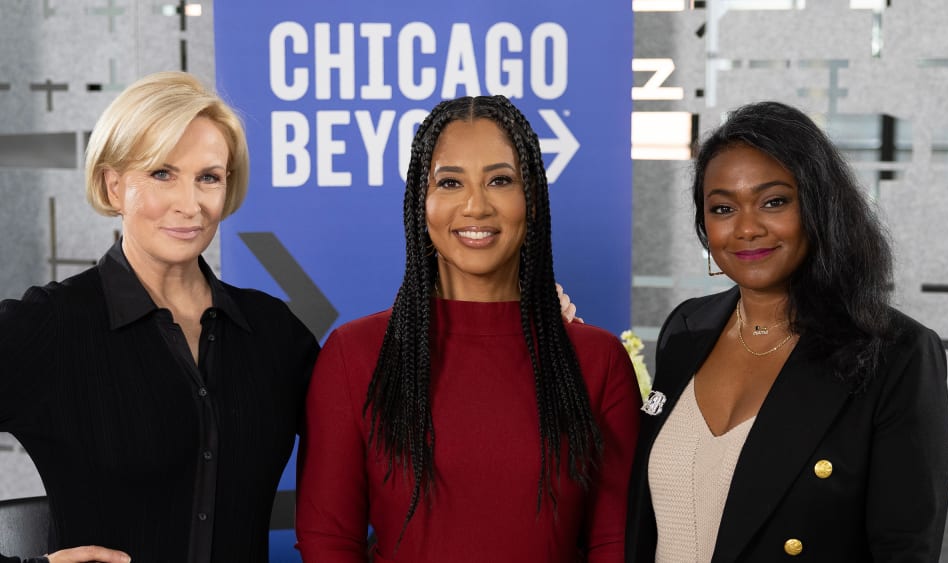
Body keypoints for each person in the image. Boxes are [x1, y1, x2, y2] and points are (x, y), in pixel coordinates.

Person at [295, 95, 640, 562]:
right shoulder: (353, 355)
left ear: (532, 198)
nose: (475, 206)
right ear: (422, 202)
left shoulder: (596, 360)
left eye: (500, 180)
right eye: (450, 182)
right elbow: (328, 540)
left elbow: (613, 543)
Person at [0, 71, 319, 562]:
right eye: (162, 173)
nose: (189, 205)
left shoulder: (275, 334)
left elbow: (375, 469)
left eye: (208, 178)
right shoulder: (49, 327)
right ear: (113, 187)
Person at [625, 101, 948, 562]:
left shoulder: (897, 354)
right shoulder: (686, 330)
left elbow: (904, 550)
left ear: (819, 207)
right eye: (722, 208)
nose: (746, 228)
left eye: (774, 201)